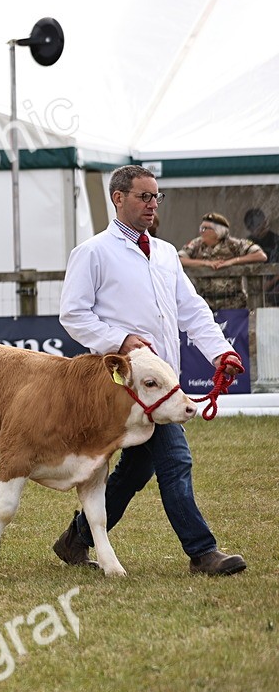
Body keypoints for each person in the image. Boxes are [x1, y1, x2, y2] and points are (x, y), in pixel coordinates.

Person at [53, 165, 246, 576]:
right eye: (144, 196)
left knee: (137, 470)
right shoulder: (93, 252)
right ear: (118, 198)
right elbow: (72, 314)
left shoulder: (164, 253)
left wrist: (221, 353)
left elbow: (192, 310)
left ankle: (75, 539)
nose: (152, 205)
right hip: (123, 385)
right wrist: (120, 341)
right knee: (175, 459)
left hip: (162, 381)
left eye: (156, 197)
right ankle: (202, 552)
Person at [178, 212, 267, 311]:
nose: (201, 232)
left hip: (233, 304)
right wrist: (205, 263)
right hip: (206, 305)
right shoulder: (196, 244)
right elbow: (179, 259)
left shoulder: (233, 244)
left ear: (218, 231)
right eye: (201, 228)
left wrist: (233, 261)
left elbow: (260, 256)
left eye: (205, 229)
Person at [244, 207, 279, 306]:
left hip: (273, 285)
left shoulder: (276, 240)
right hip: (253, 286)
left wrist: (268, 284)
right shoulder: (247, 243)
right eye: (258, 226)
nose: (264, 226)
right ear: (250, 229)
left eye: (264, 223)